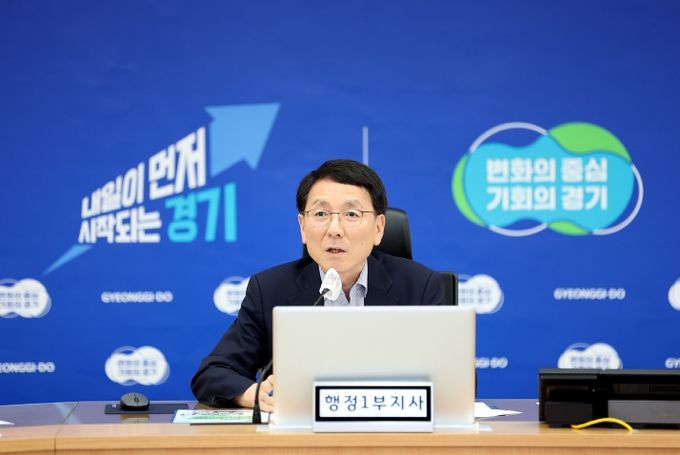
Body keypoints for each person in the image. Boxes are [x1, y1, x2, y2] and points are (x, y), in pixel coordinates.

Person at [191, 159, 445, 411]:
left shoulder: (420, 287)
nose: (334, 229)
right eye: (321, 214)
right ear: (302, 227)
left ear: (379, 228)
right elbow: (212, 373)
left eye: (351, 214)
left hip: (392, 427)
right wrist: (252, 394)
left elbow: (452, 379)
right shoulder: (269, 290)